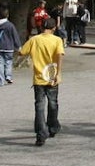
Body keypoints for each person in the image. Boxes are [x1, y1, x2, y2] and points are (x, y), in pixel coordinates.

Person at [17, 17, 64, 146]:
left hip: (38, 77)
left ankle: (40, 134)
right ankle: (52, 126)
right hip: (52, 75)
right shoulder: (57, 40)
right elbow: (60, 55)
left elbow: (22, 52)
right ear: (54, 28)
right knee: (53, 103)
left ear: (42, 27)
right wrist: (59, 73)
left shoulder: (34, 40)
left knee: (39, 106)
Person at [0, 2, 21, 86]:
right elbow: (15, 36)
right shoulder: (10, 25)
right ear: (7, 15)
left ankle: (0, 81)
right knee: (8, 62)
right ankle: (8, 76)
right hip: (9, 47)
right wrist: (18, 46)